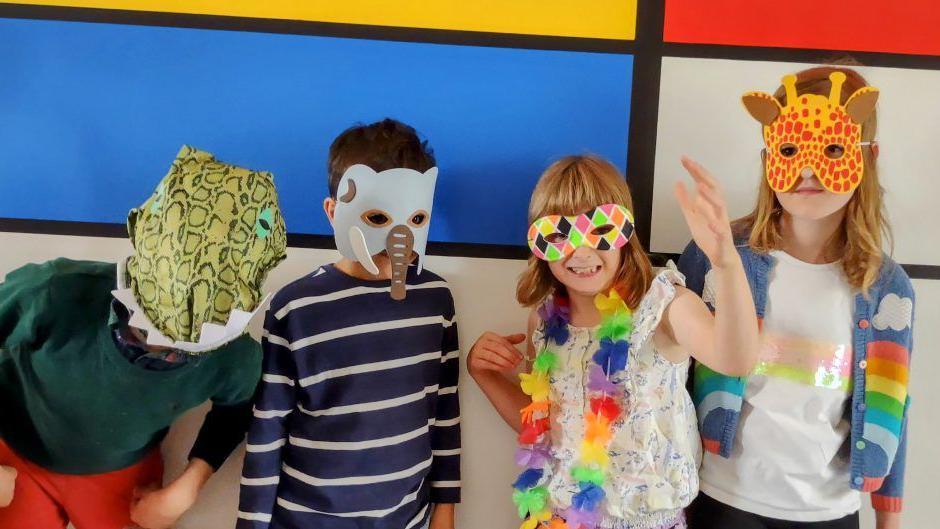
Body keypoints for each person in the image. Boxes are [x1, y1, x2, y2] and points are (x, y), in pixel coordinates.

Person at [0, 145, 288, 529]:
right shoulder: (53, 293)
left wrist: (189, 485)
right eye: (144, 332)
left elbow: (235, 410)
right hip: (17, 453)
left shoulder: (233, 356)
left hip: (119, 468)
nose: (160, 349)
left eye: (182, 349)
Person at [468, 154, 758, 529]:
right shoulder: (543, 321)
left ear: (625, 232)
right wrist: (485, 374)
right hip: (557, 518)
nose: (582, 252)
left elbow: (735, 359)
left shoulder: (664, 306)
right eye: (559, 234)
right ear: (540, 243)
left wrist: (726, 263)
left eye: (599, 229)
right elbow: (546, 423)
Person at [681, 67, 911, 529]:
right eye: (790, 149)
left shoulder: (886, 287)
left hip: (829, 511)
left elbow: (893, 404)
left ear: (868, 155)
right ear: (770, 156)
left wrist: (889, 520)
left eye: (830, 149)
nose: (807, 169)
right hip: (724, 501)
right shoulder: (717, 255)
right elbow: (668, 378)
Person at [237, 118, 461, 529]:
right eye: (376, 218)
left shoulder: (435, 300)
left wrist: (444, 512)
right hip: (308, 519)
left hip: (406, 519)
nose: (397, 240)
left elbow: (445, 413)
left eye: (413, 221)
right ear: (334, 211)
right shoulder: (295, 307)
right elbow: (267, 431)